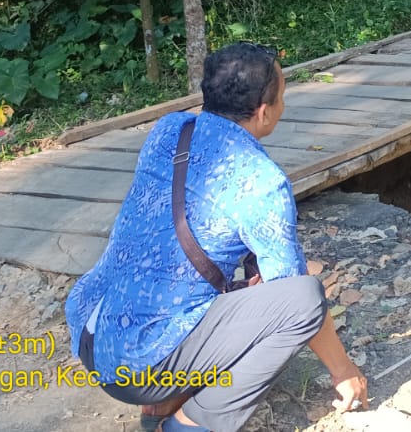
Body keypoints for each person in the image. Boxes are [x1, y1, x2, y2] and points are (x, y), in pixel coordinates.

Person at [65, 43, 368, 432]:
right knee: (305, 298)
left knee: (248, 291)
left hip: (93, 333)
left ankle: (165, 402)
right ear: (264, 111)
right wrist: (343, 370)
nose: (283, 107)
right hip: (139, 366)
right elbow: (293, 297)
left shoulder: (170, 129)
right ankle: (188, 424)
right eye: (283, 97)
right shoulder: (262, 182)